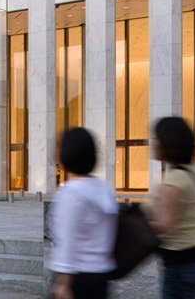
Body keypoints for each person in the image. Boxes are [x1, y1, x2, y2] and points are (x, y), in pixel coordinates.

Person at [49, 127, 118, 299]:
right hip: (101, 274)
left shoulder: (71, 193)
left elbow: (67, 241)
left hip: (77, 278)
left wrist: (63, 283)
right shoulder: (104, 189)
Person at [144, 116, 195, 297]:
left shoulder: (174, 182)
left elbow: (163, 225)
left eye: (156, 138)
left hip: (181, 268)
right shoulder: (193, 171)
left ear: (168, 143)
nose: (152, 143)